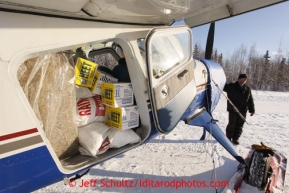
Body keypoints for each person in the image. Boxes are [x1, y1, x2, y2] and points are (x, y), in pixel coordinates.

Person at [223, 74, 255, 145]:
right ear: (239, 79)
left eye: (245, 79)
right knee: (232, 124)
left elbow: (250, 100)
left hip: (243, 110)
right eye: (243, 79)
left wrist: (252, 109)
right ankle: (228, 137)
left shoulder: (247, 89)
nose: (244, 81)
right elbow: (223, 86)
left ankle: (236, 138)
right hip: (233, 109)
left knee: (240, 125)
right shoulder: (232, 86)